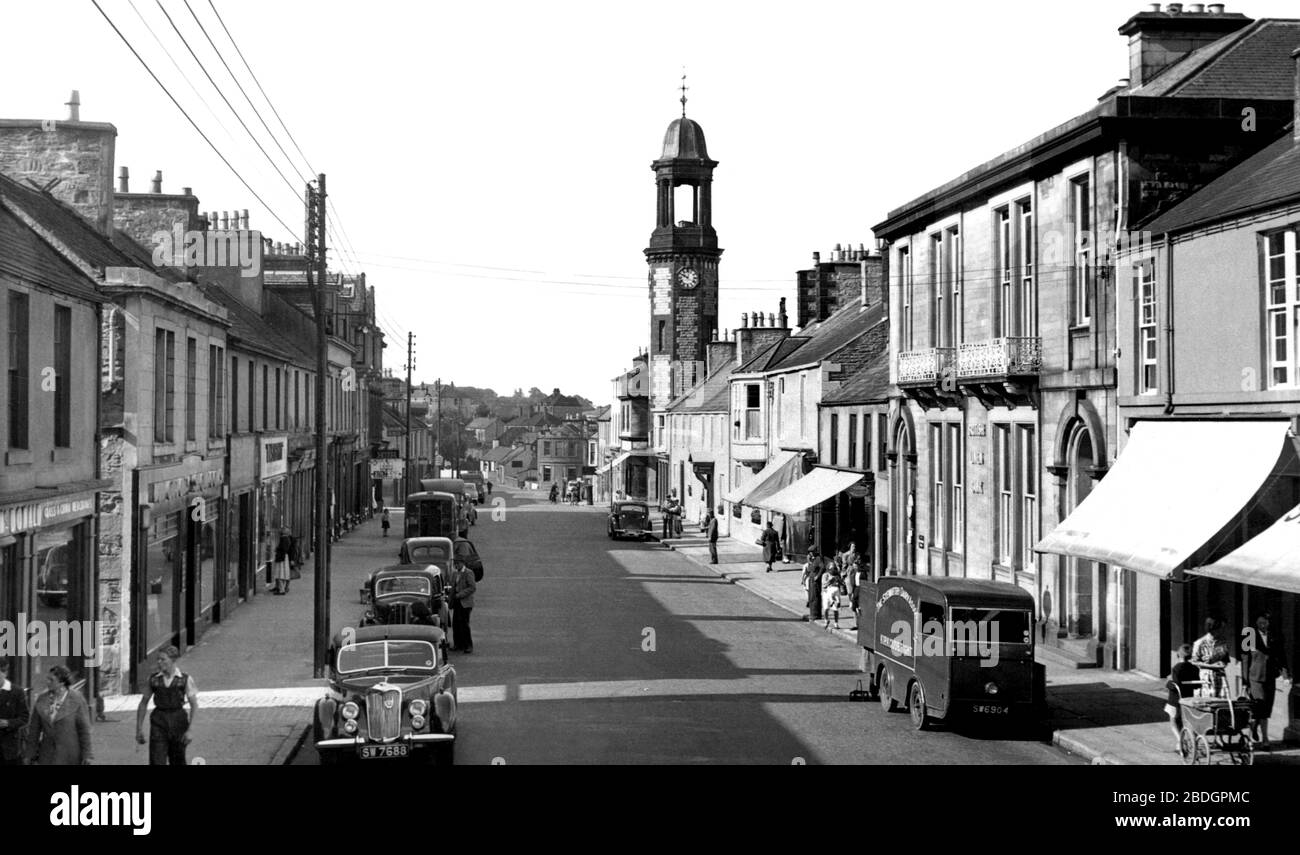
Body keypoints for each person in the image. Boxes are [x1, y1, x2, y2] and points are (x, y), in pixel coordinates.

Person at [135, 646, 199, 765]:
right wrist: (138, 729)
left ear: (173, 660)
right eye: (158, 659)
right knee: (156, 759)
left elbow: (194, 705)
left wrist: (190, 730)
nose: (159, 662)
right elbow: (143, 703)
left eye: (163, 659)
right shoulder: (153, 679)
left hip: (178, 721)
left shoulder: (185, 679)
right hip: (159, 721)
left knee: (178, 759)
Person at [25, 665, 92, 765]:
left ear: (62, 682)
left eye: (51, 680)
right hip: (47, 755)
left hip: (70, 755)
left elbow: (84, 730)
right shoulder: (42, 699)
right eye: (47, 679)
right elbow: (34, 730)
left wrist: (87, 755)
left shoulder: (76, 699)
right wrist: (29, 754)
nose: (47, 682)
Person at [1242, 612, 1288, 749]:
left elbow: (1281, 656)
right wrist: (1245, 681)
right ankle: (1264, 740)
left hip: (1270, 677)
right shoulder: (1248, 635)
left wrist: (1285, 675)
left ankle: (1255, 726)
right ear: (1256, 623)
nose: (1263, 625)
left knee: (1266, 709)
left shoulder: (1275, 636)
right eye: (1261, 622)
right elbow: (1245, 658)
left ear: (1269, 623)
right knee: (1260, 707)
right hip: (1255, 678)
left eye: (1266, 622)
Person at [1165, 643, 1200, 752]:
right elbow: (1197, 684)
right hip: (1188, 699)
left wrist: (1168, 683)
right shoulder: (1194, 668)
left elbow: (1175, 684)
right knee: (1185, 720)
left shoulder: (1176, 668)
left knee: (1174, 721)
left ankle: (1180, 741)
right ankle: (1183, 741)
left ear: (1178, 655)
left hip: (1175, 700)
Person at [1191, 617, 1230, 698]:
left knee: (1222, 702)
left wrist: (1223, 663)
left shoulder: (1223, 641)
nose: (1223, 630)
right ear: (1213, 628)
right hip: (1206, 677)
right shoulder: (1200, 643)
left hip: (1220, 676)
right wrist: (1212, 666)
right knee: (1209, 702)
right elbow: (1194, 662)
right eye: (1221, 628)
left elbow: (1225, 659)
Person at [0, 659, 29, 766]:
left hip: (9, 749)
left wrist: (8, 723)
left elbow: (25, 718)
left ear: (5, 673)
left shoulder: (16, 692)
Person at [451, 559, 476, 654]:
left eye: (457, 564)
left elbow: (472, 587)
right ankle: (458, 644)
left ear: (462, 563)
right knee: (456, 624)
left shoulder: (468, 573)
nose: (456, 566)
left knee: (464, 624)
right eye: (455, 564)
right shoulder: (455, 574)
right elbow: (453, 587)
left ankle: (468, 645)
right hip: (457, 601)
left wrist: (460, 594)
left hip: (465, 602)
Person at [801, 553, 825, 623]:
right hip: (811, 580)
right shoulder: (812, 560)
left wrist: (818, 576)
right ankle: (812, 613)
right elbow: (808, 570)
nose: (810, 555)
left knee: (815, 596)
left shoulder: (818, 559)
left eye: (811, 553)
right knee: (811, 597)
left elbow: (822, 567)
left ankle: (816, 614)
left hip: (815, 581)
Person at [272, 528, 293, 594]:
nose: (280, 531)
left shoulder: (283, 538)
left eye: (282, 530)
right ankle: (281, 588)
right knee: (282, 573)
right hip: (284, 557)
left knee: (279, 573)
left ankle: (281, 590)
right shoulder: (287, 539)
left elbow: (283, 548)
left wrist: (277, 548)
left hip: (281, 557)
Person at [822, 565, 844, 630]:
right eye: (832, 569)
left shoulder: (837, 575)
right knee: (826, 608)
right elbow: (824, 585)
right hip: (826, 593)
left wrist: (840, 582)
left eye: (834, 569)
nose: (833, 571)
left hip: (835, 593)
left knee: (835, 609)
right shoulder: (825, 575)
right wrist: (831, 581)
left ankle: (836, 623)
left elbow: (841, 583)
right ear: (829, 569)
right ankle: (826, 620)